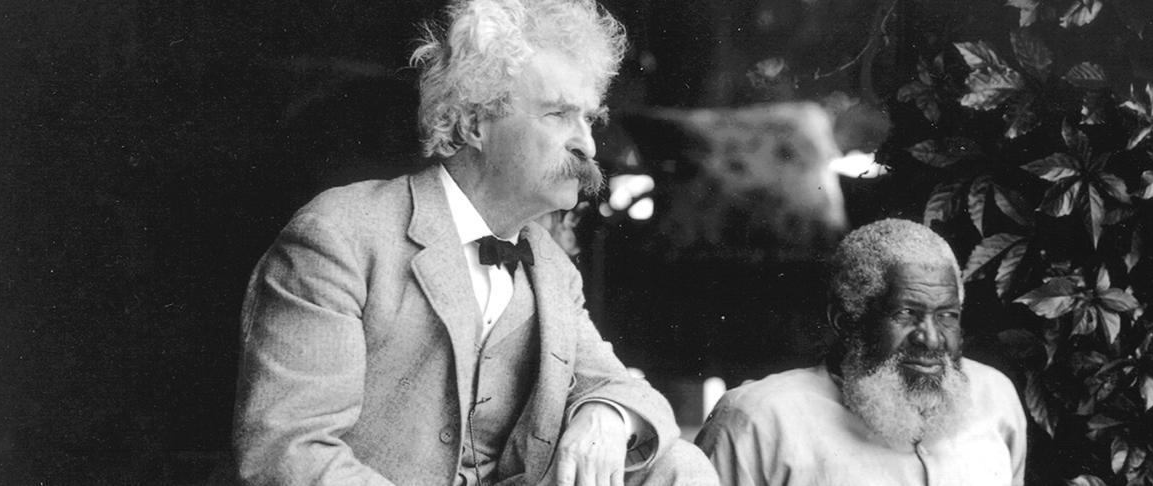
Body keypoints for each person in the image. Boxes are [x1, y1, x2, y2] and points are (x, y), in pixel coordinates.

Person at [233, 1, 716, 485]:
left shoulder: (550, 267)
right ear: (474, 124)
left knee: (679, 467)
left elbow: (618, 384)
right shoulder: (341, 235)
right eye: (559, 114)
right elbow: (289, 452)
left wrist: (606, 414)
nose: (587, 145)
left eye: (589, 119)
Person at [694, 219, 1028, 486]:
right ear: (845, 321)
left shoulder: (995, 397)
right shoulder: (759, 419)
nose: (930, 338)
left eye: (947, 316)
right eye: (905, 313)